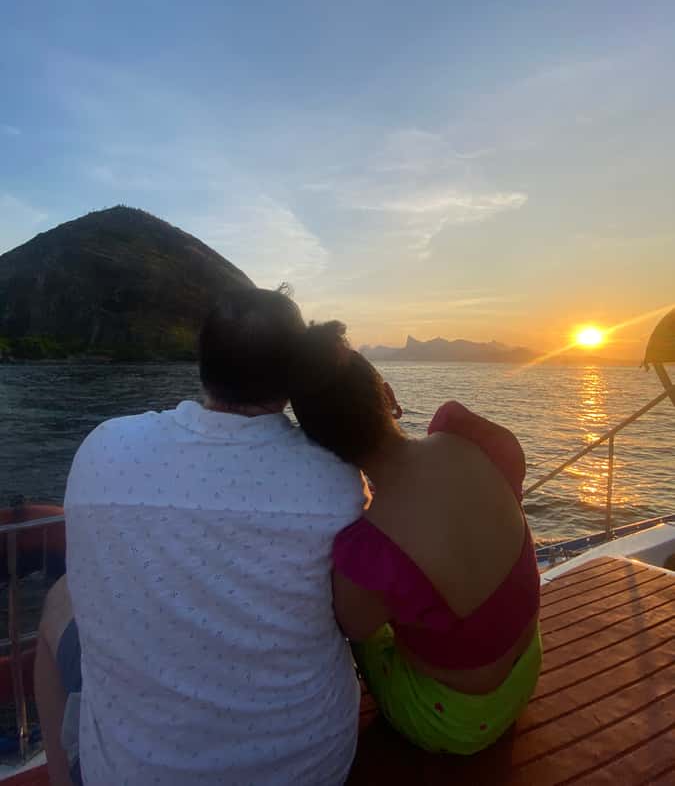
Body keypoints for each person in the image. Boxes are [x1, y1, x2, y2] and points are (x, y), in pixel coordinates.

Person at [36, 289, 366, 786]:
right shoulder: (336, 477)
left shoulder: (104, 445)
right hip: (311, 767)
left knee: (59, 599)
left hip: (130, 775)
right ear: (293, 374)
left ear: (203, 362)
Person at [289, 321, 541, 756]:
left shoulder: (368, 546)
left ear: (323, 448)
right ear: (388, 395)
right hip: (527, 666)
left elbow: (357, 628)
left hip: (458, 721)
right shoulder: (463, 430)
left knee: (358, 620)